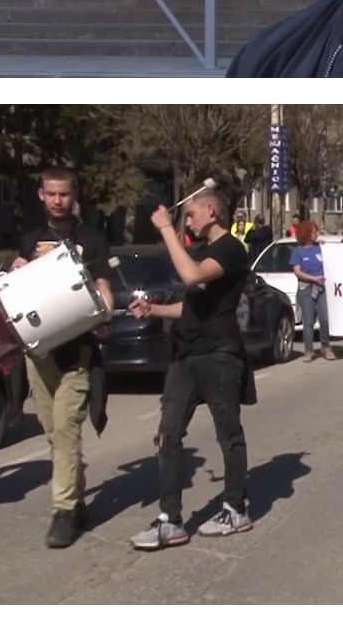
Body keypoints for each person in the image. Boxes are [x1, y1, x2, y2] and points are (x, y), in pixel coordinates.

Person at [129, 189, 255, 549]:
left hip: (220, 353)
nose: (188, 222)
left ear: (211, 211)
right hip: (186, 355)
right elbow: (191, 305)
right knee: (168, 433)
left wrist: (167, 229)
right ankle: (170, 519)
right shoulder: (203, 254)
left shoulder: (231, 249)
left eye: (191, 215)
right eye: (183, 218)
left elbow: (190, 275)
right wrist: (153, 310)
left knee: (228, 434)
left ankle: (235, 507)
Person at [10, 167, 113, 548]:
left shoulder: (92, 239)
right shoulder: (29, 239)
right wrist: (15, 272)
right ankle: (78, 500)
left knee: (67, 430)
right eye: (51, 194)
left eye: (64, 194)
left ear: (74, 196)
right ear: (41, 195)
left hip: (77, 352)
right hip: (39, 354)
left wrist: (105, 315)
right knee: (55, 436)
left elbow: (103, 288)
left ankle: (65, 512)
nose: (57, 200)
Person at [291, 221, 331, 361]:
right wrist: (314, 279)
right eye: (314, 232)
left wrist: (327, 247)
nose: (317, 234)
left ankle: (326, 346)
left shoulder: (319, 247)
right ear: (307, 234)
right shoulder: (298, 251)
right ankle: (309, 350)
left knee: (324, 319)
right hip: (306, 288)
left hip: (322, 288)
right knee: (308, 321)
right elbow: (297, 272)